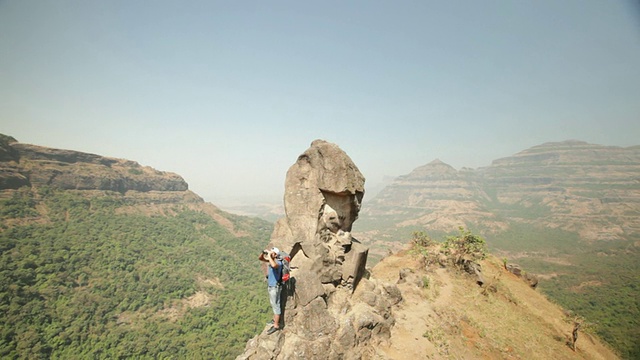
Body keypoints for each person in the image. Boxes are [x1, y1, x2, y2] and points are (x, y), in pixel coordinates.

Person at [259, 247, 283, 335]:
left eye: (272, 253)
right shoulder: (271, 260)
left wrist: (269, 255)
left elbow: (274, 265)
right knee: (274, 305)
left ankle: (276, 325)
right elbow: (260, 259)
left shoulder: (278, 263)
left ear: (276, 255)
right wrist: (263, 252)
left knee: (276, 306)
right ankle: (274, 320)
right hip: (271, 286)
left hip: (275, 287)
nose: (271, 254)